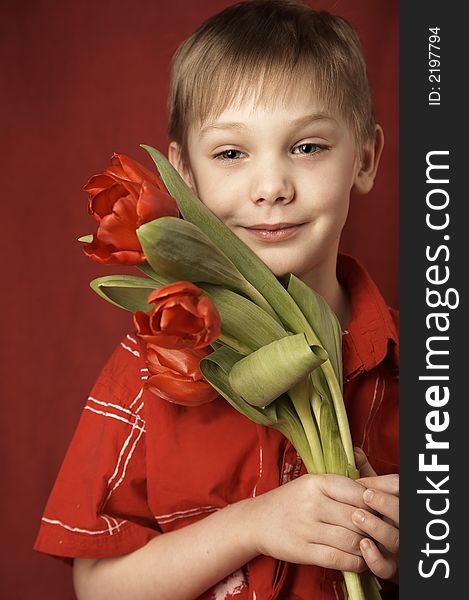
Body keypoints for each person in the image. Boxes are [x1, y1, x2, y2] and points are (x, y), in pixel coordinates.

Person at [34, 1, 399, 598]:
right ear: (185, 175)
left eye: (307, 147)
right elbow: (98, 589)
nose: (272, 188)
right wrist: (256, 525)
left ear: (365, 157)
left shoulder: (430, 367)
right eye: (232, 153)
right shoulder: (155, 358)